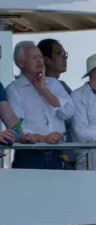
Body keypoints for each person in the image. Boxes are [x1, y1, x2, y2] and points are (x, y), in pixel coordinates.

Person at [5, 41, 75, 169]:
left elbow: (68, 112)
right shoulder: (14, 89)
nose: (39, 61)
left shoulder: (53, 84)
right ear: (21, 63)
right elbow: (18, 126)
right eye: (34, 57)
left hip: (57, 154)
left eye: (40, 57)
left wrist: (44, 91)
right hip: (29, 155)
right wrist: (44, 138)